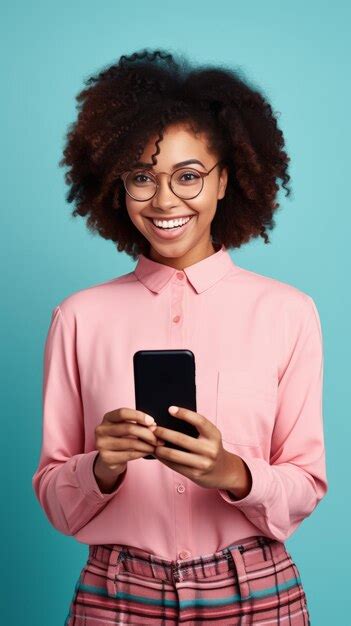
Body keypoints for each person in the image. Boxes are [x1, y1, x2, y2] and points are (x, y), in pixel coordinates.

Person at [32, 48, 328, 625]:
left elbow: (306, 483)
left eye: (188, 176)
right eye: (143, 177)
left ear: (227, 180)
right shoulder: (78, 318)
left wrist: (233, 474)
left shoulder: (288, 312)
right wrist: (102, 467)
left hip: (255, 592)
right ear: (118, 186)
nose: (165, 200)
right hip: (117, 596)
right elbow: (54, 496)